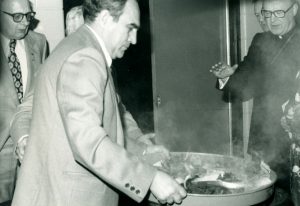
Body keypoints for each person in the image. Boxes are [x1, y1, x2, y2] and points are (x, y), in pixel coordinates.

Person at [11, 0, 187, 205]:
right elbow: (88, 140)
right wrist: (151, 178)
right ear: (104, 19)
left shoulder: (81, 49)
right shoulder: (86, 57)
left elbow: (106, 127)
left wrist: (143, 151)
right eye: (130, 28)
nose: (134, 39)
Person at [211, 0, 300, 197]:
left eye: (278, 13)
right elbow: (245, 85)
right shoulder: (260, 40)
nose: (271, 20)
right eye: (267, 14)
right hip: (263, 140)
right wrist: (228, 77)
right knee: (265, 196)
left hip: (294, 142)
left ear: (294, 9)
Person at [0, 0, 48, 204]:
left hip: (30, 144)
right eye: (17, 17)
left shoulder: (39, 42)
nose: (25, 23)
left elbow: (42, 93)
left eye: (29, 16)